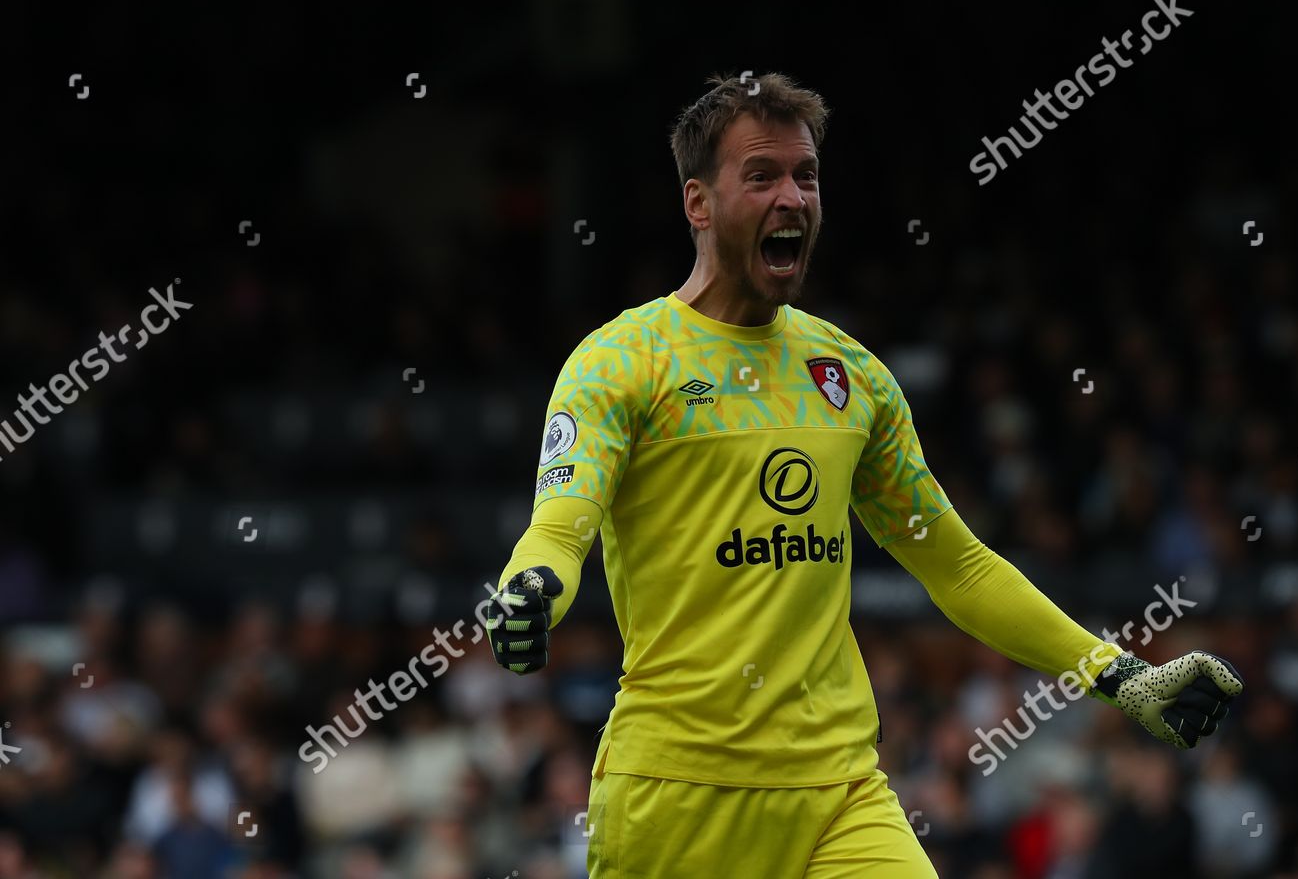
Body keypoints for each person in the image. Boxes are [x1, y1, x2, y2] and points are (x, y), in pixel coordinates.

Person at [483, 72, 1244, 877]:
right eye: (763, 176)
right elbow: (559, 526)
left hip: (840, 791)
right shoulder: (620, 363)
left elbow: (956, 564)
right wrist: (530, 592)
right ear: (698, 204)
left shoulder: (849, 374)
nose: (793, 198)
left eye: (806, 176)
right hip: (677, 792)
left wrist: (1121, 676)